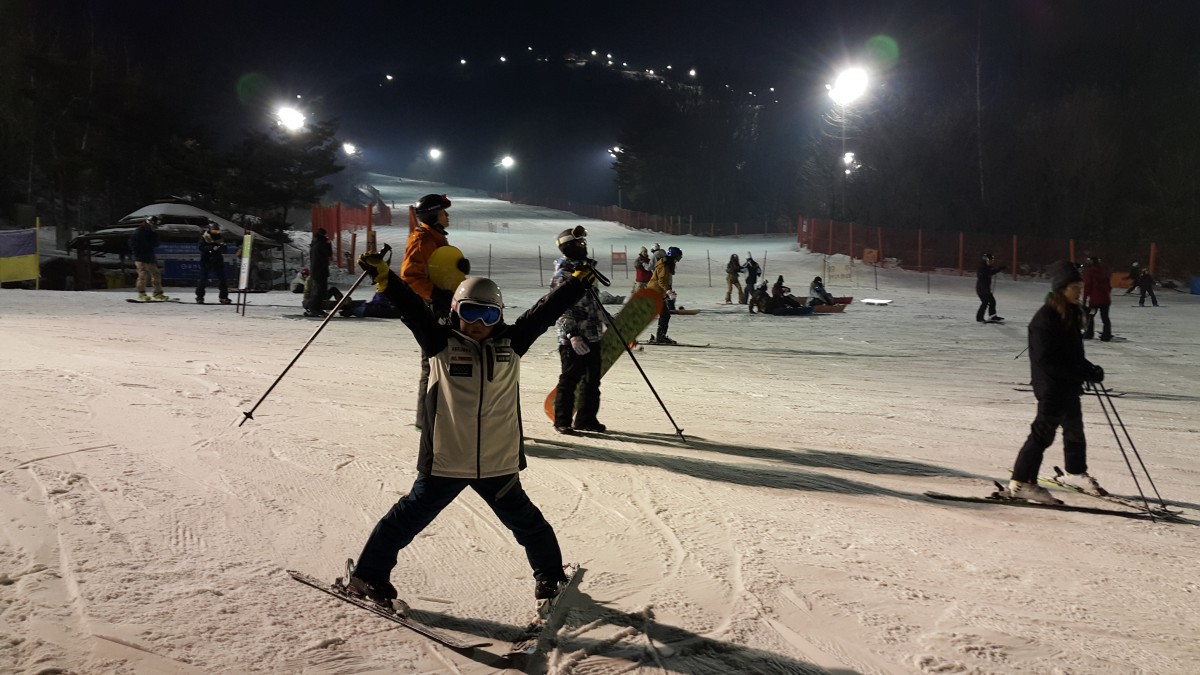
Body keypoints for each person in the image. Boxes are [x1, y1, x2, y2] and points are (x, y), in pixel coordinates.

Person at [345, 250, 598, 607]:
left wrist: (574, 285)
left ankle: (550, 579)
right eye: (470, 312)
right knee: (403, 521)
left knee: (529, 525)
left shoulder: (512, 343)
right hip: (446, 461)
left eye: (488, 314)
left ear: (500, 316)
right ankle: (368, 576)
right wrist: (385, 278)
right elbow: (412, 309)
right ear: (455, 312)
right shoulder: (439, 343)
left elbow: (544, 312)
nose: (478, 322)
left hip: (497, 463)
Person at [1006, 260, 1107, 504]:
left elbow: (1072, 356)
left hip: (1067, 386)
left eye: (1080, 288)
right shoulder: (1045, 319)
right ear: (1061, 289)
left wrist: (1089, 369)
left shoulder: (1069, 314)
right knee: (1042, 435)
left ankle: (1075, 473)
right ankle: (1022, 482)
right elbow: (1047, 361)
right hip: (1051, 387)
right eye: (1074, 288)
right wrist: (1079, 373)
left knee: (1075, 430)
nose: (1079, 292)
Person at [402, 194, 463, 428]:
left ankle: (441, 415)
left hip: (443, 306)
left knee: (446, 360)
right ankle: (426, 419)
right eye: (444, 212)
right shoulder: (423, 240)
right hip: (431, 309)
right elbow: (410, 276)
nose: (447, 216)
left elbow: (440, 270)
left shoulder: (435, 238)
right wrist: (435, 294)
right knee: (433, 361)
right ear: (435, 215)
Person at [550, 227, 607, 435]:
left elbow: (593, 303)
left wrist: (606, 320)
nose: (584, 246)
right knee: (570, 378)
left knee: (593, 380)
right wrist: (572, 334)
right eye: (579, 244)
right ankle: (562, 420)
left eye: (584, 243)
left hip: (592, 334)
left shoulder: (586, 271)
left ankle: (586, 419)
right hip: (573, 338)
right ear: (568, 247)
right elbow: (558, 307)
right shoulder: (563, 274)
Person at [647, 246, 682, 344]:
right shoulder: (664, 265)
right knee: (664, 314)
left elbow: (665, 281)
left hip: (657, 293)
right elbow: (661, 280)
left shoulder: (667, 265)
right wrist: (668, 291)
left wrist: (668, 292)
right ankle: (660, 337)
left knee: (665, 314)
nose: (677, 261)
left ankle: (661, 336)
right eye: (677, 258)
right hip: (654, 292)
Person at [130, 216, 167, 301]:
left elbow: (156, 244)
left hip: (150, 257)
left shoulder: (152, 232)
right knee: (142, 275)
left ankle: (158, 293)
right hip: (140, 257)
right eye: (154, 225)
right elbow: (132, 244)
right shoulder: (139, 231)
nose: (155, 227)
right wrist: (137, 254)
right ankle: (141, 293)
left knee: (156, 274)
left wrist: (154, 234)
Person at [196, 221, 231, 305]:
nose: (216, 232)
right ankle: (200, 297)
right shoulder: (205, 237)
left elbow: (225, 248)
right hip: (206, 260)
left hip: (217, 260)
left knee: (222, 279)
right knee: (203, 279)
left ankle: (223, 297)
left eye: (217, 231)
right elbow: (201, 248)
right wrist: (211, 248)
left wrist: (221, 247)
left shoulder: (220, 237)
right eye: (214, 231)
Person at [1082, 257, 1112, 341]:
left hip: (1095, 301)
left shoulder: (1090, 272)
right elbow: (1109, 286)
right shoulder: (1103, 272)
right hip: (1105, 300)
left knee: (1090, 316)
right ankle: (1106, 334)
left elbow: (1087, 286)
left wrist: (1084, 298)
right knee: (1105, 318)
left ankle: (1089, 333)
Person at [305, 228, 333, 316]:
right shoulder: (321, 244)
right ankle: (315, 308)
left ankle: (315, 308)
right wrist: (328, 244)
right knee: (320, 291)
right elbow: (328, 253)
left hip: (315, 271)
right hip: (321, 271)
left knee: (317, 290)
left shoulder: (314, 244)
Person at [975, 253, 1006, 322]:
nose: (991, 263)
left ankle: (992, 316)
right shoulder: (982, 268)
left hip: (986, 289)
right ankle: (979, 317)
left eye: (992, 261)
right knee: (985, 302)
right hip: (981, 290)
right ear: (985, 261)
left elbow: (991, 272)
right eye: (989, 261)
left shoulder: (987, 268)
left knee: (992, 301)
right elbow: (984, 275)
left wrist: (1000, 269)